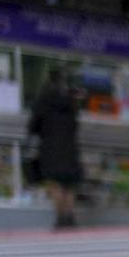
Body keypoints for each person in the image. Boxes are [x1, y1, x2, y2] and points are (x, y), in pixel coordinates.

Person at [28, 68, 82, 229]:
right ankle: (70, 216)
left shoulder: (43, 101)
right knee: (68, 184)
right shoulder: (69, 102)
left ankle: (60, 218)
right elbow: (74, 125)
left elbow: (33, 126)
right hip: (69, 146)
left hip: (50, 148)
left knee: (55, 183)